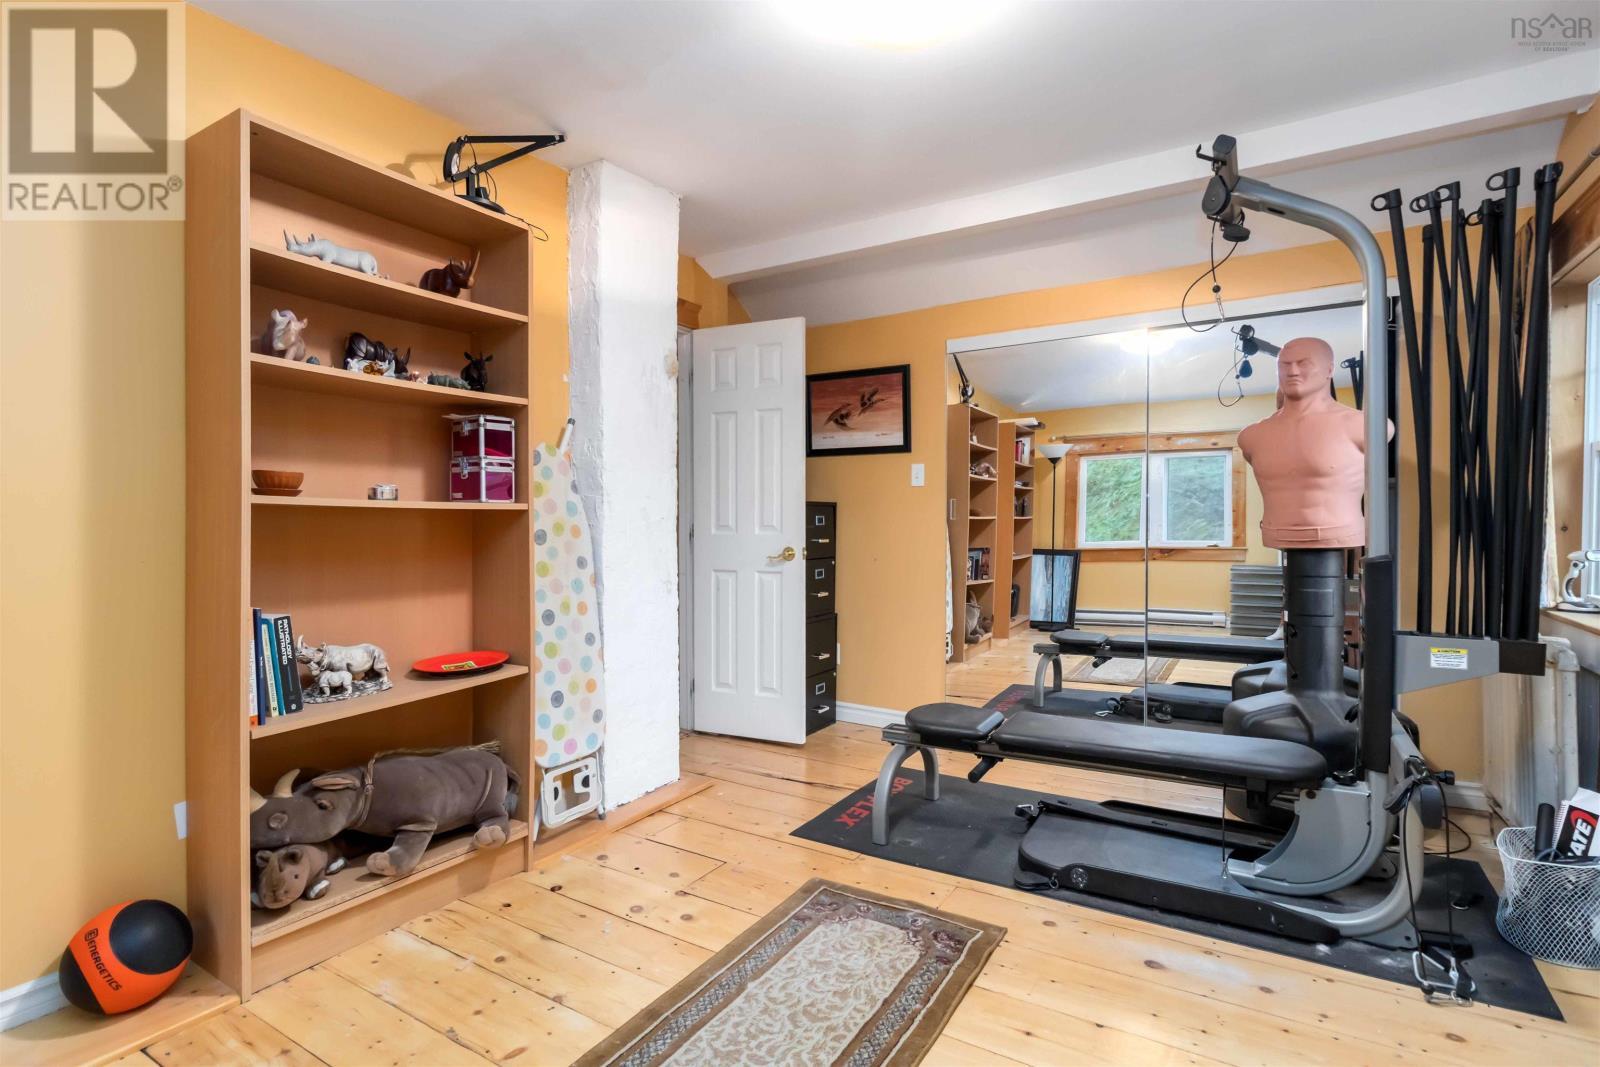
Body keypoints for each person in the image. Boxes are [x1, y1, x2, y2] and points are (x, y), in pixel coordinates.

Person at [1236, 337, 1384, 549]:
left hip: (1340, 533)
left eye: (1304, 363)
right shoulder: (1251, 436)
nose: (1293, 371)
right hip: (1275, 533)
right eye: (1284, 365)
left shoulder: (1364, 426)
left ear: (1329, 370)